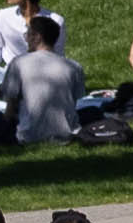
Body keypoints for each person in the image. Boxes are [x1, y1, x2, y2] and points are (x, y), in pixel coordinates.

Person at [8, 13, 87, 147]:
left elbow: (9, 112)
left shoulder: (18, 63)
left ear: (37, 37)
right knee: (93, 112)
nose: (26, 39)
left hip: (28, 136)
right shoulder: (74, 66)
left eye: (28, 34)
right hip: (66, 136)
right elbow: (72, 104)